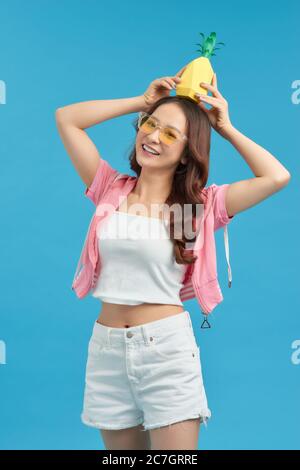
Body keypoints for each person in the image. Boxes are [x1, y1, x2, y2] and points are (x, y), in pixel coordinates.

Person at [55, 69, 291, 450]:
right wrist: (141, 101)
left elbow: (276, 176)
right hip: (106, 349)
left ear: (187, 152)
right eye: (150, 125)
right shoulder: (109, 189)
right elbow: (67, 117)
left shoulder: (203, 206)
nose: (152, 136)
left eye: (169, 134)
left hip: (165, 350)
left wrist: (225, 128)